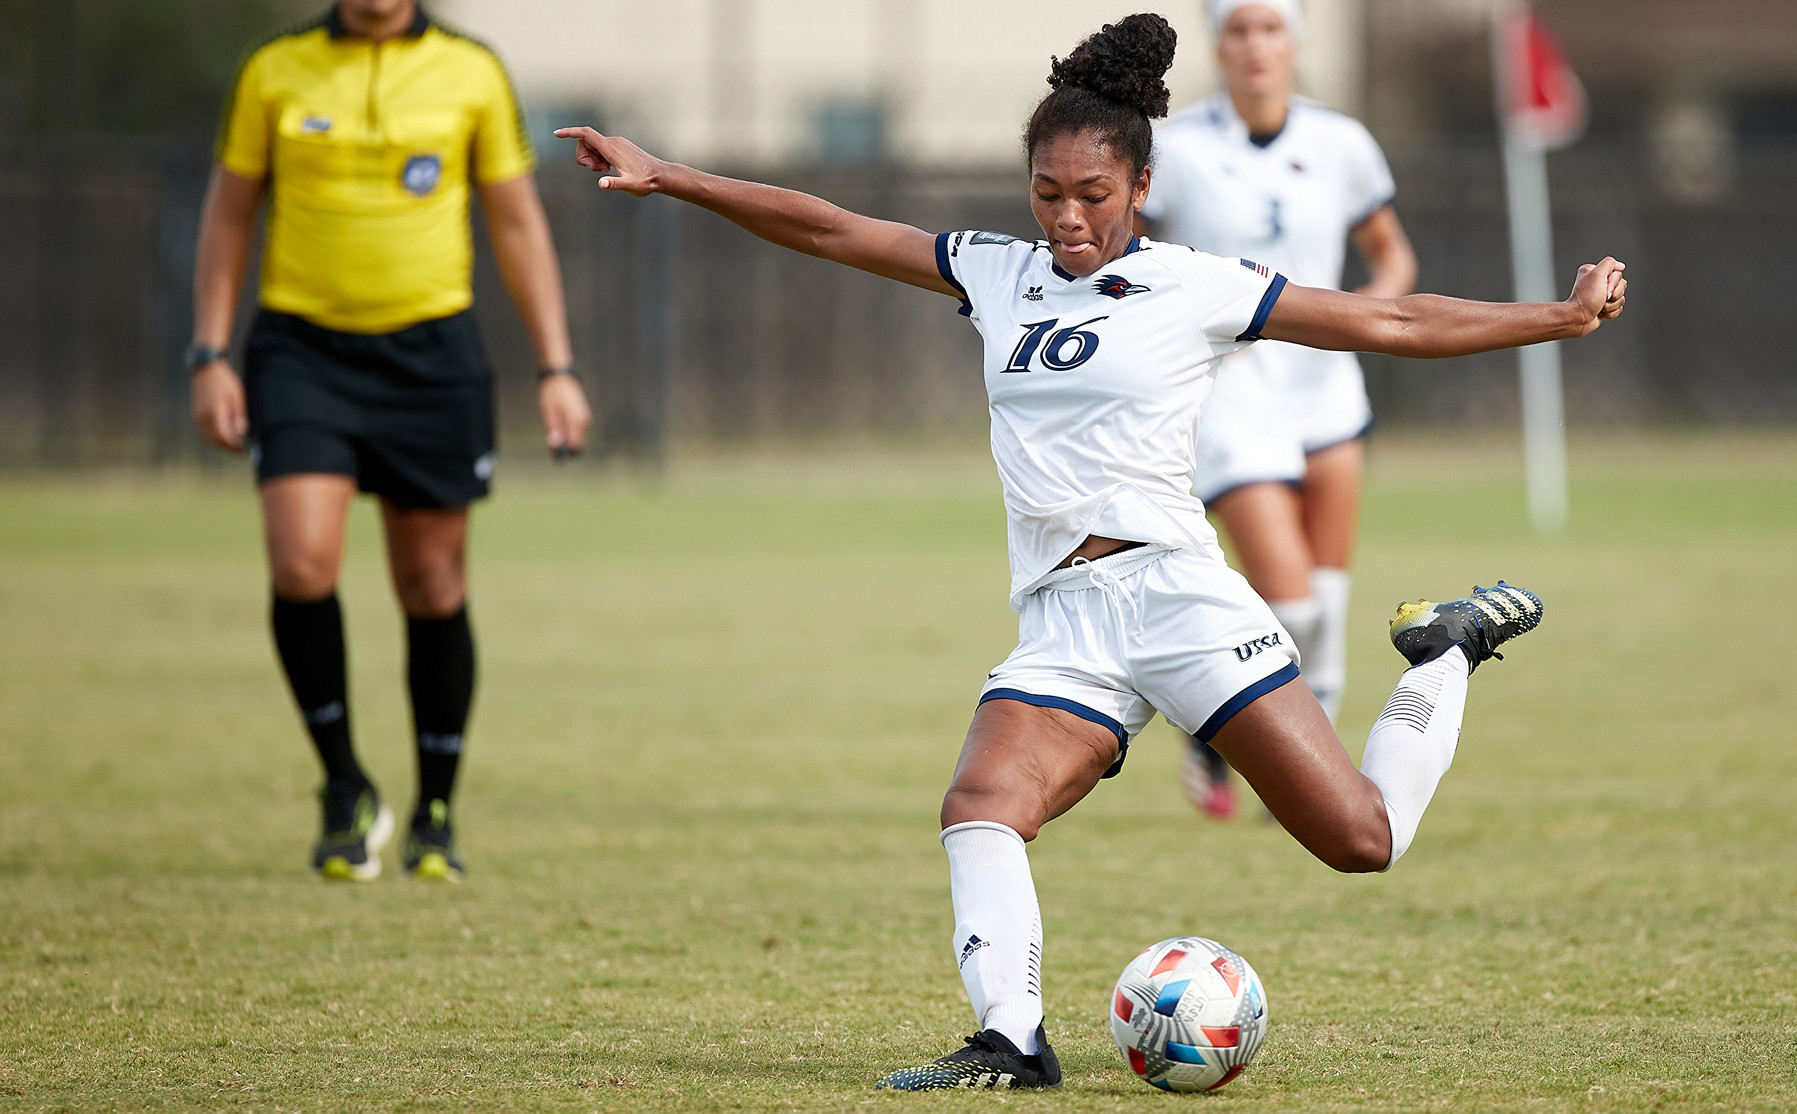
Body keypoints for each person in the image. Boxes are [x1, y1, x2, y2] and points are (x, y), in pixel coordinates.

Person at [556, 11, 1621, 1091]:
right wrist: (669, 175)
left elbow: (1390, 322)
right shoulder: (994, 272)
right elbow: (831, 228)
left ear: (1142, 186)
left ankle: (1445, 650)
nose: (1067, 216)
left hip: (1177, 598)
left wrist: (1558, 318)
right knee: (980, 805)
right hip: (1065, 620)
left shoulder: (1199, 286)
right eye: (1047, 192)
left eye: (1093, 195)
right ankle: (1011, 1040)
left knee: (1361, 840)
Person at [188, 0, 592, 882]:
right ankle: (344, 786)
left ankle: (435, 812)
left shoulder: (471, 69)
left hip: (432, 355)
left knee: (433, 582)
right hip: (302, 351)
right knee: (301, 564)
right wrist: (210, 354)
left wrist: (556, 365)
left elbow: (517, 222)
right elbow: (228, 215)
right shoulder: (274, 68)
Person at [1138, 0, 1418, 822]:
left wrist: (1361, 315)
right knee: (1289, 603)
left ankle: (1309, 791)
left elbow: (1392, 256)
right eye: (1239, 29)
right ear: (1218, 42)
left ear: (1294, 39)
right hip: (1230, 388)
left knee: (1326, 606)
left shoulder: (1341, 141)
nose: (1256, 45)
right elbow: (1132, 257)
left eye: (1271, 28)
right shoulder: (1177, 148)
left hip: (1325, 385)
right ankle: (1211, 724)